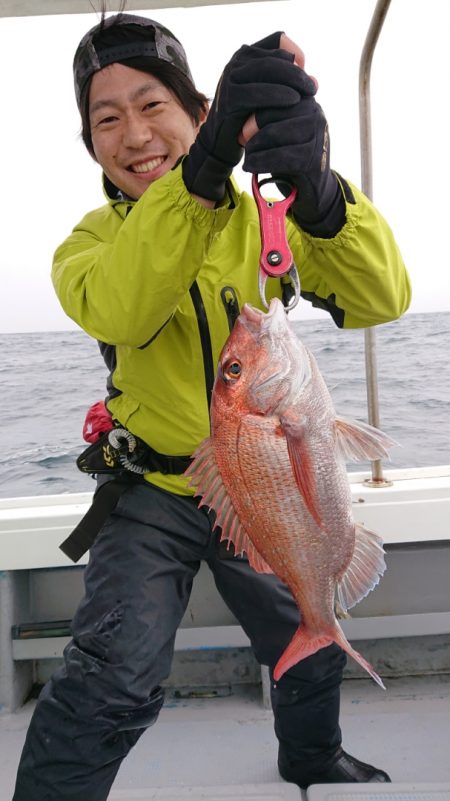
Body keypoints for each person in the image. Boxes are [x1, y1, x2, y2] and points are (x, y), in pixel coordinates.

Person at [13, 11, 411, 801]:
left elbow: (381, 297)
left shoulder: (269, 218)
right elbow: (124, 305)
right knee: (110, 672)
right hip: (152, 490)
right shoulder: (87, 246)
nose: (135, 135)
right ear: (90, 143)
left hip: (262, 480)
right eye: (106, 119)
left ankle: (312, 756)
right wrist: (196, 182)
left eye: (153, 104)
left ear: (202, 112)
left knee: (310, 625)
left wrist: (324, 201)